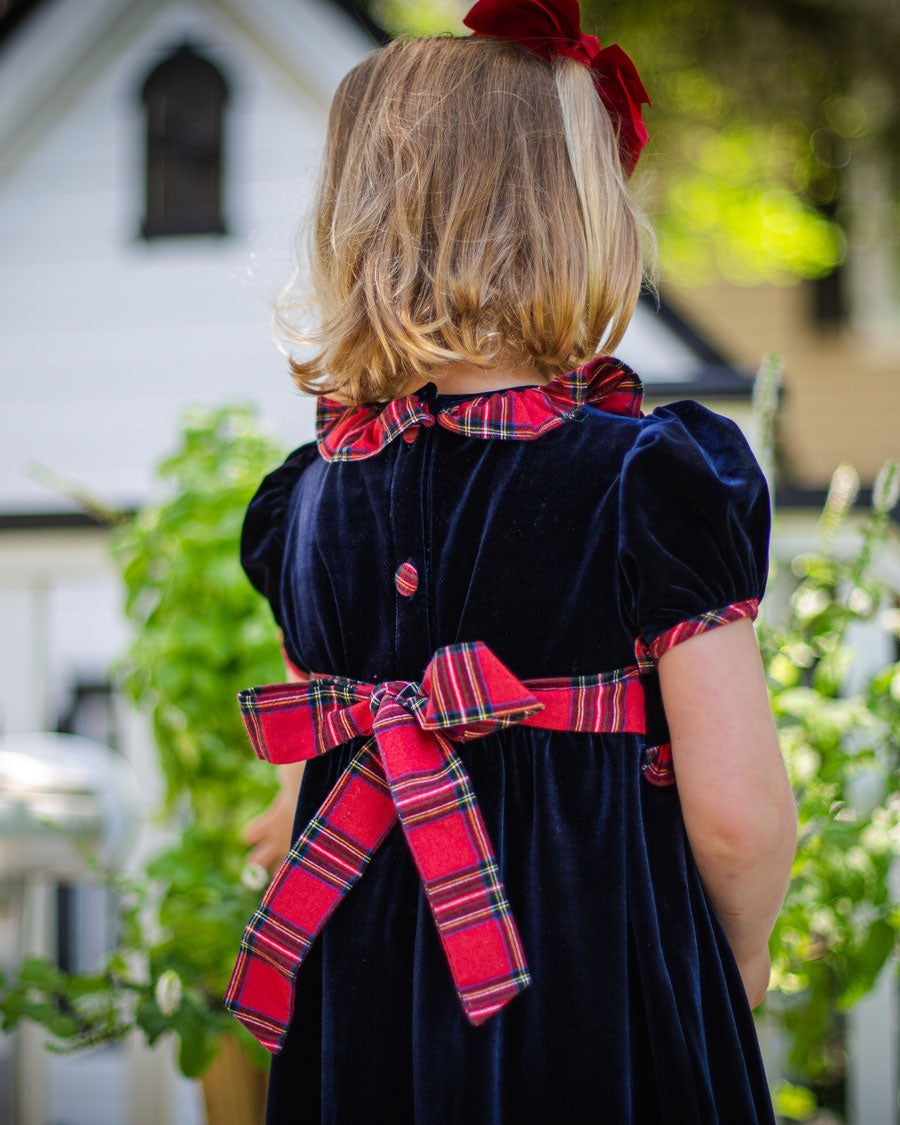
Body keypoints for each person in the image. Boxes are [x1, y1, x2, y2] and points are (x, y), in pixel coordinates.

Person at [227, 1, 798, 1120]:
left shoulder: (309, 501)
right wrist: (738, 958)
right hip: (602, 993)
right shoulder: (651, 479)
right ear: (582, 222)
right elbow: (738, 813)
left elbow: (305, 778)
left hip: (366, 1016)